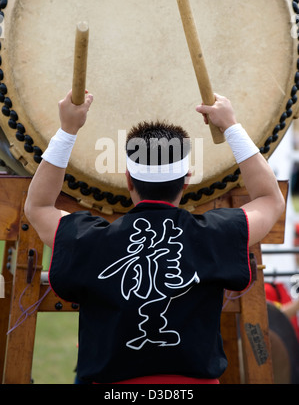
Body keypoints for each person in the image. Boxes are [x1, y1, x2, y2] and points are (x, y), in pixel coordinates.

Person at [24, 90, 285, 384]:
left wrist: (68, 130)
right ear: (187, 180)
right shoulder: (215, 235)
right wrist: (231, 127)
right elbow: (269, 200)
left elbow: (39, 206)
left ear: (127, 179)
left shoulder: (89, 240)